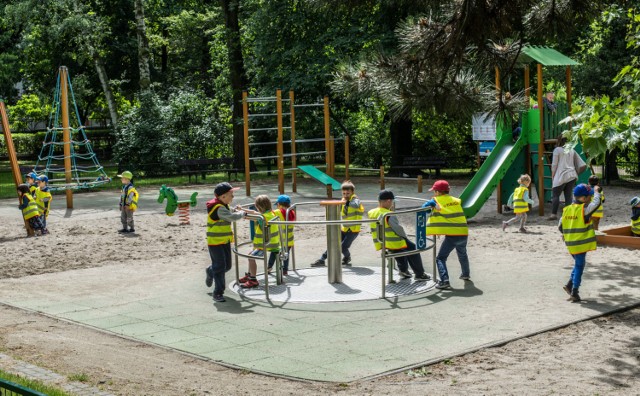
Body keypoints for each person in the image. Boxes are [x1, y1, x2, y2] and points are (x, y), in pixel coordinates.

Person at [367, 189, 431, 281]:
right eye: (392, 201)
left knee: (399, 250)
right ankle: (419, 274)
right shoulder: (388, 214)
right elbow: (397, 228)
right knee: (412, 248)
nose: (392, 203)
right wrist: (405, 237)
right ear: (389, 201)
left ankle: (404, 270)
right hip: (393, 240)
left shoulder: (372, 212)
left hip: (383, 241)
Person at [422, 180, 469, 290]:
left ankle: (445, 281)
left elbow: (424, 209)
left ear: (437, 192)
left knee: (440, 258)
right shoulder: (456, 200)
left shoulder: (435, 200)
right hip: (463, 232)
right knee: (462, 254)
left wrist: (431, 203)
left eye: (434, 191)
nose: (434, 193)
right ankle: (465, 274)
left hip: (452, 235)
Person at [204, 182, 247, 303]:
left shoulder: (223, 205)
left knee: (227, 266)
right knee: (220, 266)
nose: (233, 197)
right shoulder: (218, 208)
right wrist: (242, 214)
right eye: (231, 195)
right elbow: (232, 217)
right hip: (215, 242)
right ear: (223, 197)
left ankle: (210, 271)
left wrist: (237, 210)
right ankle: (218, 292)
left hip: (225, 240)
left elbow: (230, 211)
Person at [558, 183, 601, 303]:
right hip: (580, 244)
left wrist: (566, 235)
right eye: (589, 196)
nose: (590, 198)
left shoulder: (566, 210)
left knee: (578, 264)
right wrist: (597, 192)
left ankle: (569, 285)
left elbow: (560, 226)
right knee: (579, 265)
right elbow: (596, 204)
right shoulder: (584, 210)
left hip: (570, 244)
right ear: (583, 198)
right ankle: (574, 292)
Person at [312, 180, 364, 267]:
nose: (345, 195)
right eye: (344, 193)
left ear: (352, 192)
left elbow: (355, 205)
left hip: (353, 230)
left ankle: (347, 257)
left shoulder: (356, 200)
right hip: (344, 228)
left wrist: (345, 202)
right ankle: (322, 259)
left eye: (348, 193)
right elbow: (339, 209)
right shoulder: (343, 200)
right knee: (333, 243)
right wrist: (330, 206)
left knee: (343, 247)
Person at [238, 195, 281, 289]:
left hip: (265, 245)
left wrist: (240, 213)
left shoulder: (262, 218)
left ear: (259, 207)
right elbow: (254, 213)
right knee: (250, 254)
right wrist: (242, 209)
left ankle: (253, 279)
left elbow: (250, 216)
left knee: (251, 257)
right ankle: (249, 275)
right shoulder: (271, 214)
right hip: (273, 243)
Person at [548, 136, 585, 220]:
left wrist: (553, 175)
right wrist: (577, 173)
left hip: (561, 174)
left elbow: (554, 165)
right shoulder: (571, 150)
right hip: (571, 174)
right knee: (568, 196)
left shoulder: (557, 150)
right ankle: (568, 214)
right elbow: (582, 164)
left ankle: (553, 214)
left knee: (555, 195)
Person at [276, 195, 295, 275]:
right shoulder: (292, 212)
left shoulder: (278, 212)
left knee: (278, 254)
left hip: (281, 240)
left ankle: (273, 267)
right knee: (286, 255)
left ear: (279, 204)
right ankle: (285, 270)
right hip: (289, 240)